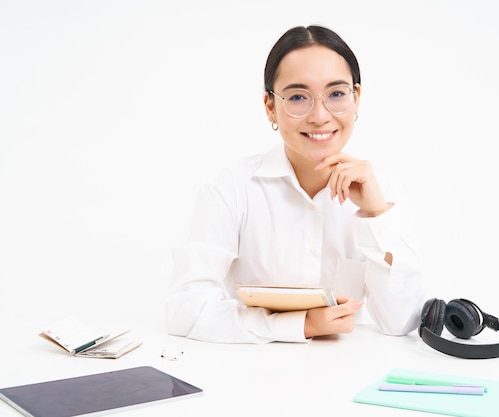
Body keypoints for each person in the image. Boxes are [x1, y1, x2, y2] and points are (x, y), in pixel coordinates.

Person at [167, 25, 426, 343]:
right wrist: (302, 325)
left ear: (356, 99)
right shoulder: (230, 189)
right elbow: (185, 310)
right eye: (298, 97)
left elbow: (401, 322)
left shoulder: (382, 192)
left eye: (336, 94)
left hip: (347, 375)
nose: (320, 115)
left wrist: (376, 213)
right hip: (248, 374)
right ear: (270, 107)